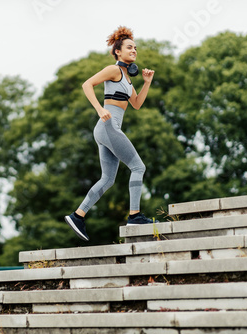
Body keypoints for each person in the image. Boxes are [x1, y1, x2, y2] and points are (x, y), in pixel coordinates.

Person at [64, 26, 158, 242]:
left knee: (107, 179)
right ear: (118, 51)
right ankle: (134, 215)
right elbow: (87, 84)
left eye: (135, 47)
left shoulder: (127, 78)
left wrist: (147, 83)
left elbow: (136, 104)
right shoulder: (114, 70)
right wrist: (99, 108)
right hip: (108, 126)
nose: (134, 50)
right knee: (138, 167)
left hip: (107, 130)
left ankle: (77, 216)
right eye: (129, 47)